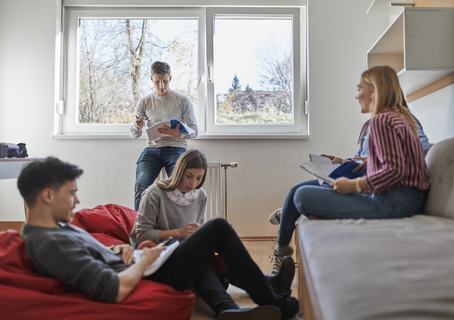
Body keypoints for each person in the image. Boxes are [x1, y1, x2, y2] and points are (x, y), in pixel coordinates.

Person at [18, 157, 298, 320]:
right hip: (147, 274)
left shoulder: (57, 229)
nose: (77, 200)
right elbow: (109, 288)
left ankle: (238, 306)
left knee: (203, 240)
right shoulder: (49, 242)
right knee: (218, 229)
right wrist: (145, 260)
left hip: (142, 263)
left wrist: (118, 250)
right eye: (71, 192)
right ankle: (274, 301)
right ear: (47, 195)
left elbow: (94, 258)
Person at [269, 65, 430, 274]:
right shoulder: (401, 118)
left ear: (374, 91)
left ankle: (305, 218)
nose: (357, 96)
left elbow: (394, 170)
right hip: (410, 200)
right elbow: (400, 167)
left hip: (393, 202)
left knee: (301, 196)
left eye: (360, 89)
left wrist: (355, 185)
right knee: (302, 193)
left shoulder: (381, 120)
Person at [130, 149, 296, 313]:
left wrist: (199, 236)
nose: (193, 183)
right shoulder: (154, 194)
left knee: (213, 253)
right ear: (179, 171)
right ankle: (271, 298)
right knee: (219, 227)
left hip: (185, 257)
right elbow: (142, 235)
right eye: (189, 176)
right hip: (161, 262)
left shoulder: (199, 195)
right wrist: (178, 232)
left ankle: (228, 309)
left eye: (199, 178)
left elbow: (196, 229)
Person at [131, 61, 198, 211]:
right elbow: (134, 135)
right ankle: (139, 229)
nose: (161, 85)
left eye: (165, 81)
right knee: (141, 185)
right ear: (151, 79)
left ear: (170, 78)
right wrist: (137, 126)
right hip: (152, 150)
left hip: (175, 149)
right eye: (157, 82)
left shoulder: (182, 101)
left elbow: (194, 130)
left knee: (179, 187)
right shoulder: (145, 102)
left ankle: (178, 229)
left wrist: (179, 133)